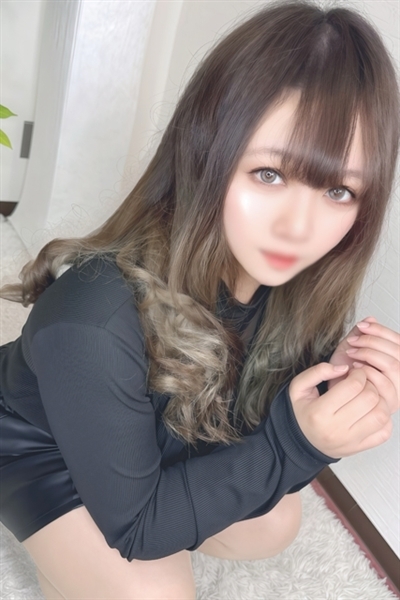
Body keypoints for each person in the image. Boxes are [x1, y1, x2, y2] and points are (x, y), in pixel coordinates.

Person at [0, 1, 399, 599]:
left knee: (275, 523)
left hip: (141, 432)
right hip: (37, 443)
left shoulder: (294, 289)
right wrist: (296, 444)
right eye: (270, 174)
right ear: (207, 150)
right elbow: (141, 527)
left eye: (338, 190)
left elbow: (254, 438)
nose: (299, 228)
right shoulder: (92, 319)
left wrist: (329, 404)